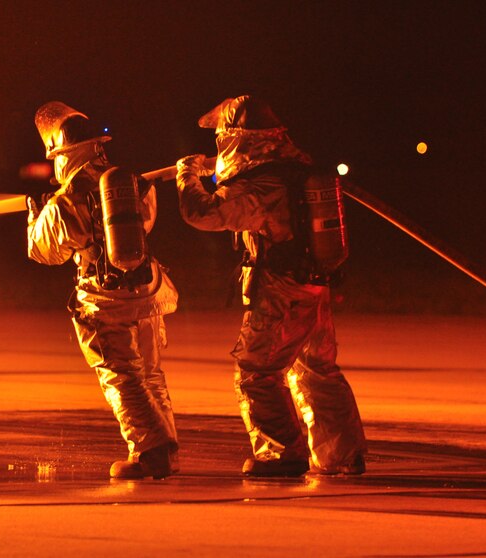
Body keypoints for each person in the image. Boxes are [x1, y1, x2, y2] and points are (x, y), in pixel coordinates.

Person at [174, 95, 367, 477]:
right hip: (314, 286)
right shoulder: (296, 170)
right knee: (317, 370)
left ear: (235, 136)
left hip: (280, 292)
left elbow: (203, 213)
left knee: (256, 371)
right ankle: (342, 454)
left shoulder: (259, 186)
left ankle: (281, 453)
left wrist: (186, 176)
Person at [27, 101, 180, 479]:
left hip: (105, 298)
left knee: (121, 375)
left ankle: (150, 451)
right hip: (148, 289)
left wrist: (35, 218)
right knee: (150, 374)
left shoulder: (67, 200)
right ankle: (167, 446)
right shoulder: (130, 184)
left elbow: (45, 252)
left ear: (62, 154)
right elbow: (146, 224)